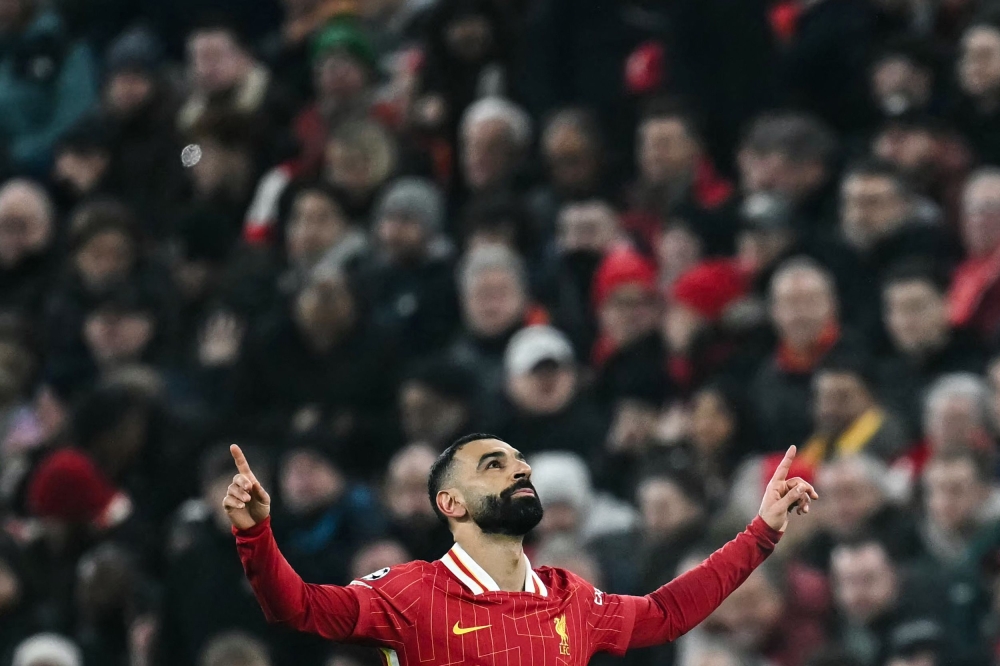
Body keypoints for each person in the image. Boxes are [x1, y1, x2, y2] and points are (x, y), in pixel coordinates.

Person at [227, 436, 817, 664]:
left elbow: (666, 615)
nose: (521, 471)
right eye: (495, 466)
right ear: (451, 504)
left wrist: (760, 532)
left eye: (520, 463)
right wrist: (256, 535)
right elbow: (296, 607)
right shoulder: (407, 592)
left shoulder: (571, 597)